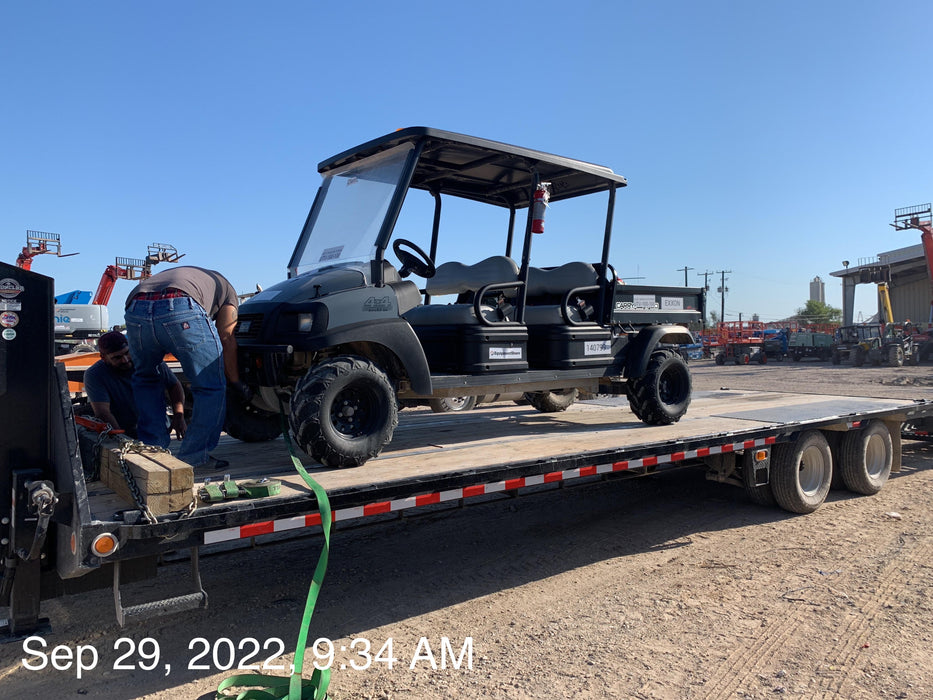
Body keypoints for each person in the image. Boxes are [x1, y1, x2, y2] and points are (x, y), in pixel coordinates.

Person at [124, 266, 250, 469]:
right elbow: (226, 337)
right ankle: (195, 457)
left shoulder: (189, 276)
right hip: (180, 304)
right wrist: (236, 382)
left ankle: (153, 453)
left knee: (146, 379)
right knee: (210, 386)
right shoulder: (228, 291)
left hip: (136, 305)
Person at [83, 330, 186, 439]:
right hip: (123, 430)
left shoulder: (148, 360)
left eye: (127, 353)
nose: (125, 360)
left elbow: (174, 385)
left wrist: (179, 415)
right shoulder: (95, 374)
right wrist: (121, 439)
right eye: (117, 357)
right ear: (103, 358)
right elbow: (103, 412)